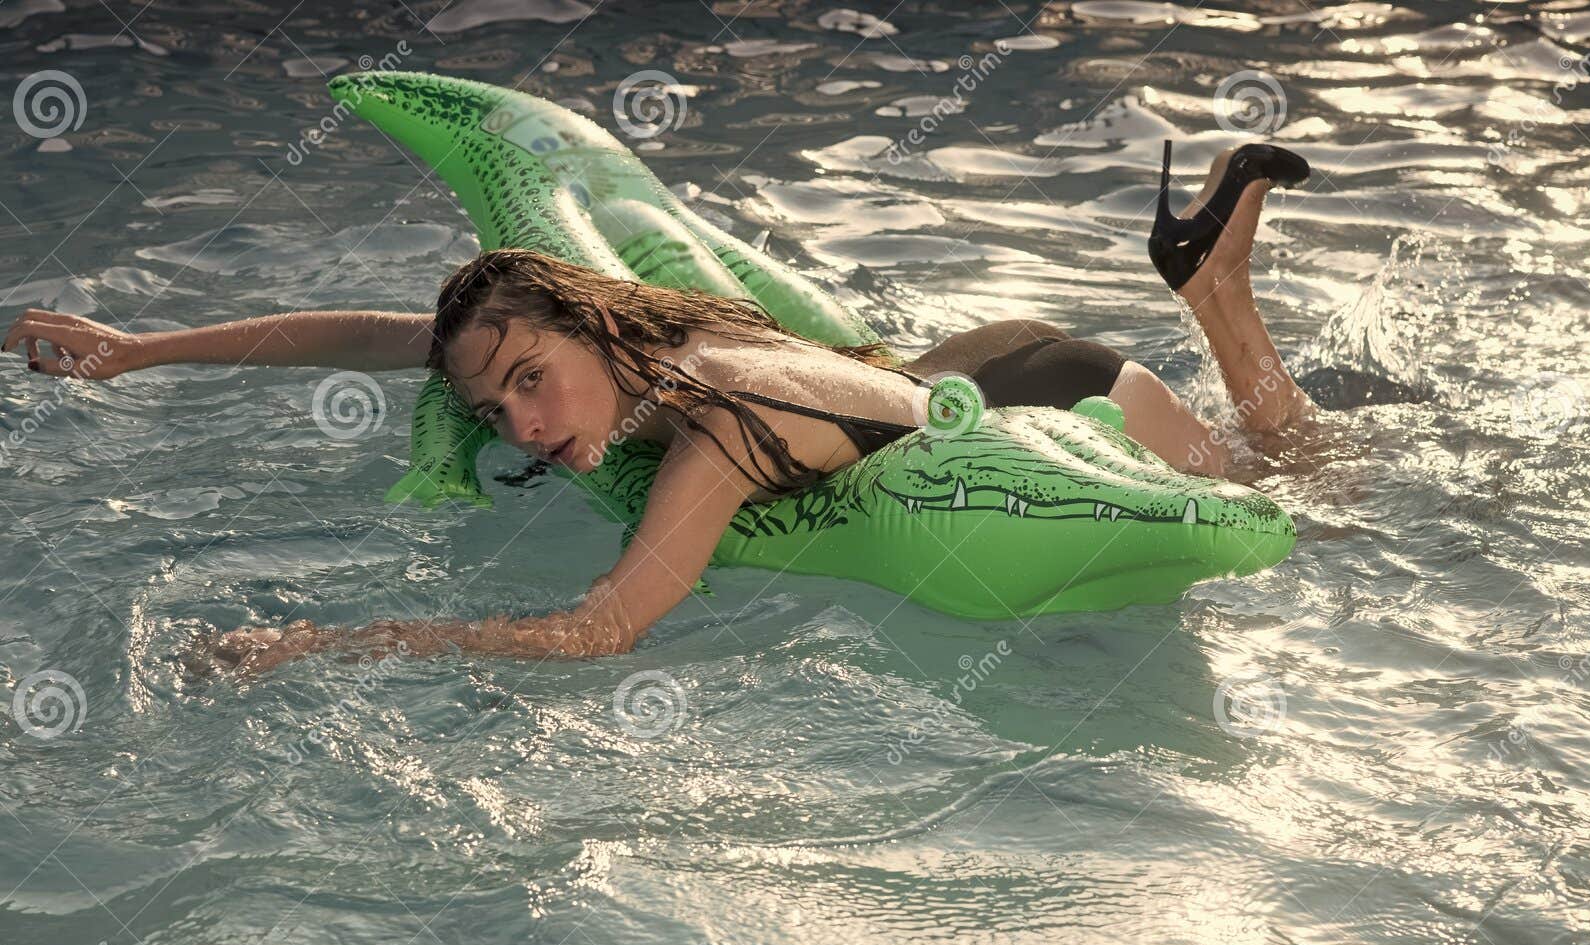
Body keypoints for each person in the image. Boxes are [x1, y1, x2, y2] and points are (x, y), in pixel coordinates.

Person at [2, 142, 1318, 673]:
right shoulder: (625, 339)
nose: (516, 420)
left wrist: (323, 641)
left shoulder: (713, 426)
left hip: (1047, 388)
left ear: (588, 332)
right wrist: (135, 350)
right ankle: (1211, 286)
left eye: (529, 380)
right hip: (953, 362)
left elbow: (603, 628)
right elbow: (366, 333)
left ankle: (1218, 292)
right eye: (494, 397)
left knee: (1312, 502)